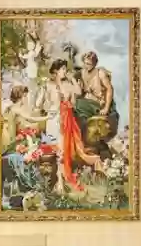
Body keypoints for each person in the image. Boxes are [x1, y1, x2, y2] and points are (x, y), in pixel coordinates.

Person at [38, 59, 102, 191]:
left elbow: (78, 92)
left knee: (62, 150)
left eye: (65, 69)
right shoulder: (48, 85)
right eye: (62, 69)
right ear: (55, 71)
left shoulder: (67, 84)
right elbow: (38, 104)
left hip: (66, 119)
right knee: (56, 149)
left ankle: (61, 182)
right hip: (53, 119)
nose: (65, 71)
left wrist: (72, 79)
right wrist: (46, 100)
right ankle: (59, 181)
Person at [75, 51, 119, 153]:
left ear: (94, 64)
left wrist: (106, 108)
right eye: (85, 63)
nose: (86, 66)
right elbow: (79, 91)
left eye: (89, 64)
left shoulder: (100, 73)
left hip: (99, 104)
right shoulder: (82, 73)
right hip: (86, 103)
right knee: (76, 107)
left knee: (79, 105)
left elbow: (109, 89)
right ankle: (83, 142)